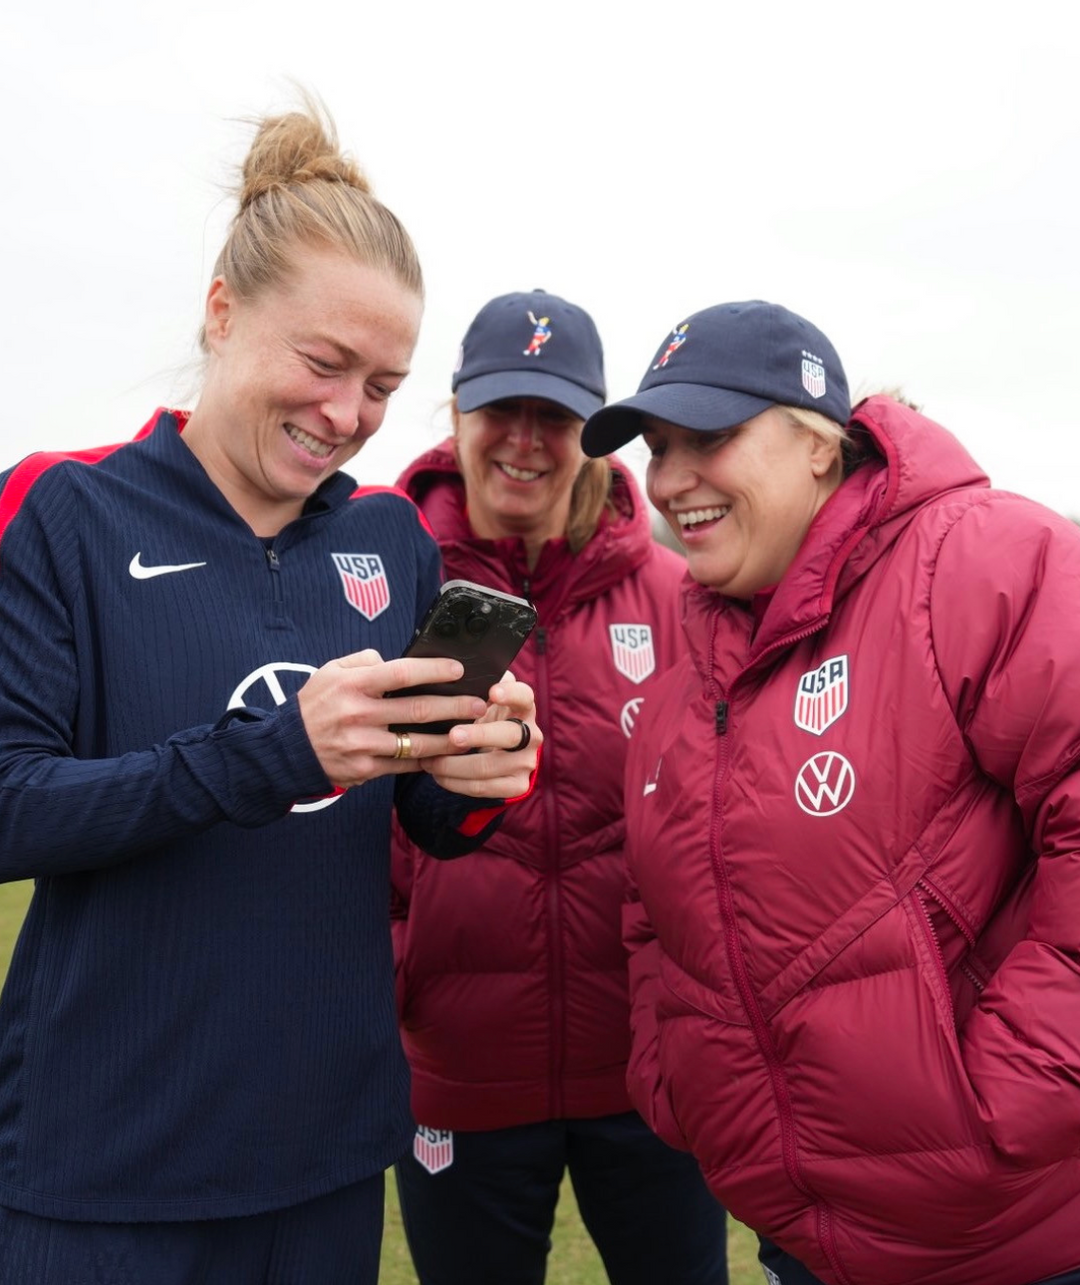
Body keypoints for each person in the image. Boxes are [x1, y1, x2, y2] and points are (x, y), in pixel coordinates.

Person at [0, 100, 540, 1285]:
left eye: (384, 386)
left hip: (328, 1156)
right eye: (324, 363)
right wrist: (273, 752)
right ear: (222, 308)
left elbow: (425, 820)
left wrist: (481, 773)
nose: (348, 415)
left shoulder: (392, 538)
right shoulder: (58, 509)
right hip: (104, 1166)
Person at [578, 298, 1080, 1285]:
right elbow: (651, 906)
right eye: (657, 448)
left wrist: (1008, 1097)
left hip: (1014, 1242)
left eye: (708, 438)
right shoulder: (692, 655)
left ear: (818, 442)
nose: (671, 480)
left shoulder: (985, 560)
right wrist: (674, 1079)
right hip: (798, 1239)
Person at [390, 289, 729, 1285]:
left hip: (646, 1069)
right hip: (459, 1064)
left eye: (555, 417)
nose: (526, 442)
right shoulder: (385, 573)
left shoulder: (679, 595)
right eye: (503, 410)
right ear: (456, 412)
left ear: (591, 430)